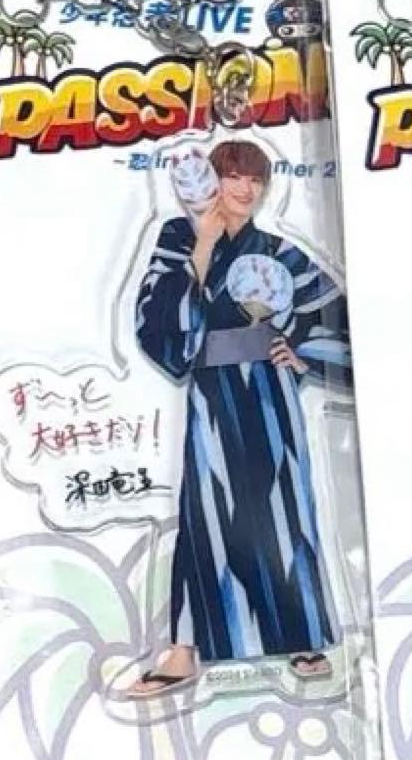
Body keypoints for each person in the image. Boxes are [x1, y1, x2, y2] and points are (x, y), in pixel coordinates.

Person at [129, 140, 350, 695]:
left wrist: (302, 352)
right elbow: (159, 320)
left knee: (284, 506)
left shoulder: (277, 251)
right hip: (211, 391)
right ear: (211, 179)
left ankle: (300, 635)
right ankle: (185, 651)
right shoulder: (178, 236)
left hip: (271, 392)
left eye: (255, 180)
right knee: (205, 508)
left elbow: (337, 314)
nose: (245, 189)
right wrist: (204, 240)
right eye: (234, 176)